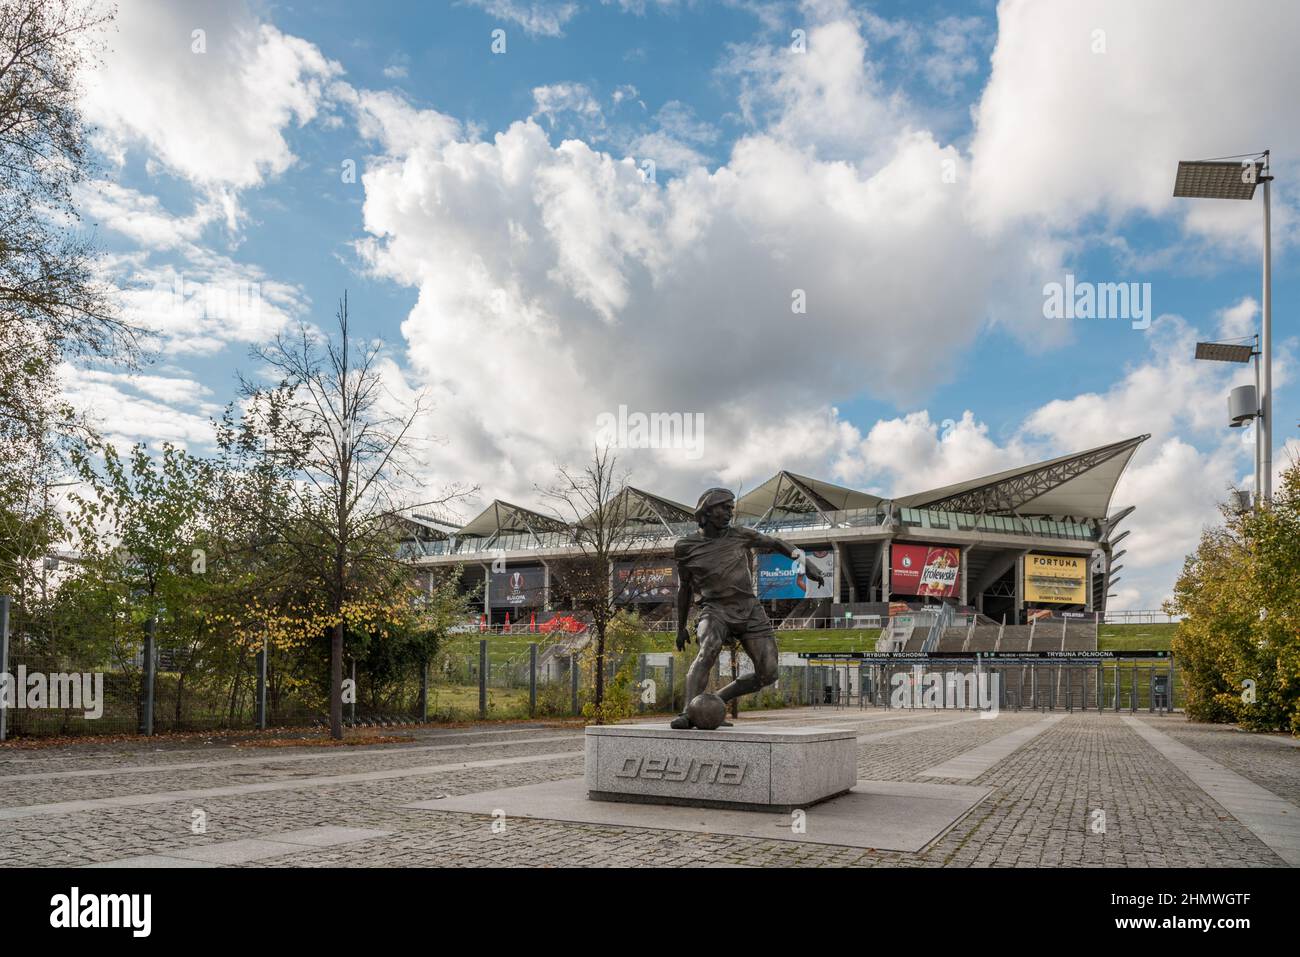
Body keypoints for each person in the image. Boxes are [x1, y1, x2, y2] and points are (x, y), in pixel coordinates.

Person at [670, 487, 825, 729]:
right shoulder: (685, 546)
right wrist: (680, 628)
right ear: (708, 510)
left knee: (768, 673)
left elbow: (776, 543)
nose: (730, 513)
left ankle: (715, 701)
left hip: (749, 609)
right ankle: (687, 712)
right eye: (725, 508)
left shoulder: (740, 535)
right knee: (708, 648)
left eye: (732, 508)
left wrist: (805, 562)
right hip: (715, 609)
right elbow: (684, 588)